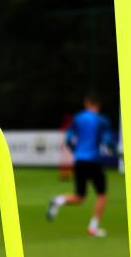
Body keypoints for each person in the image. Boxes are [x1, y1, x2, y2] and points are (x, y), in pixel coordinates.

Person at [47, 92, 115, 236]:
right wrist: (114, 151)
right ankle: (93, 227)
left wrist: (76, 151)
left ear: (86, 103)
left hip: (79, 160)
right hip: (94, 160)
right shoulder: (102, 120)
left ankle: (57, 200)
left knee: (80, 197)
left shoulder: (77, 118)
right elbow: (108, 141)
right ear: (98, 105)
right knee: (102, 194)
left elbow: (68, 139)